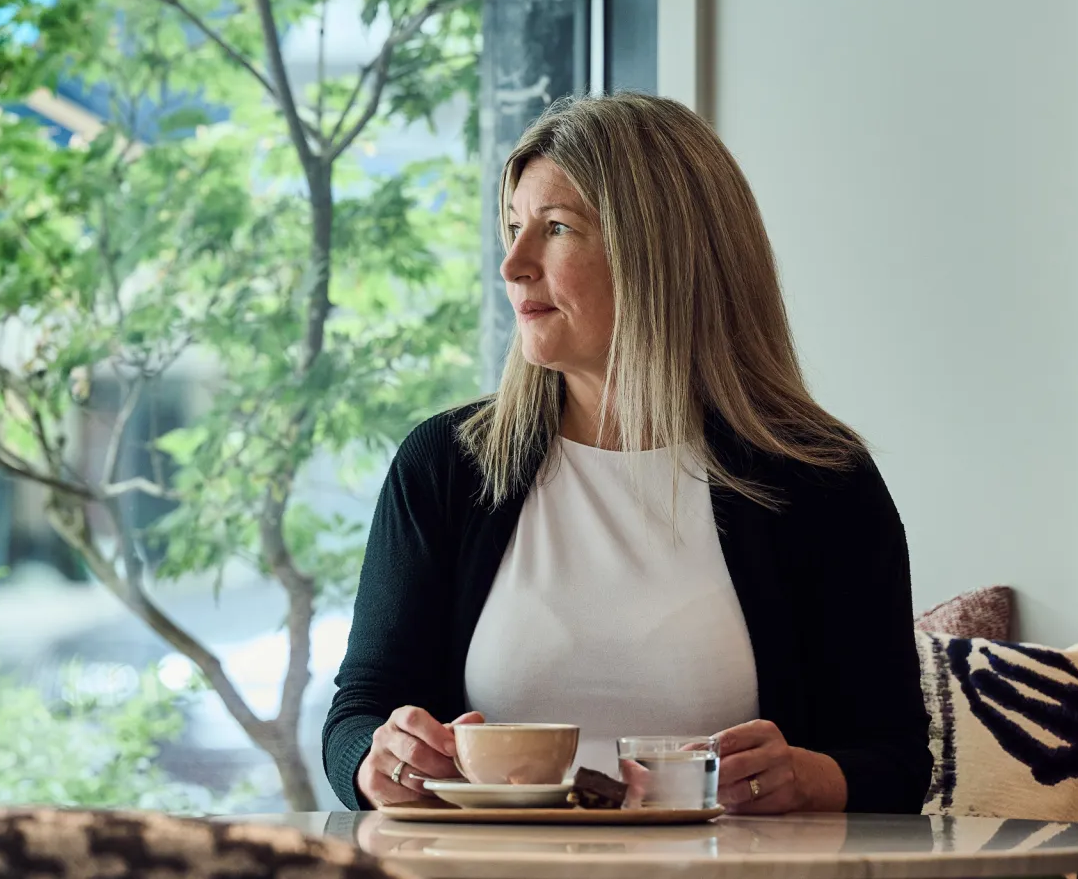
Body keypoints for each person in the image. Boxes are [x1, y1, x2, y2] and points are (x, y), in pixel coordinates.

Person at [321, 93, 930, 815]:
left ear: (662, 253)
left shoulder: (822, 481)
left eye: (555, 228)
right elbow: (359, 711)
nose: (513, 265)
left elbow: (897, 757)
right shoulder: (447, 464)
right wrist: (377, 760)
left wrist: (806, 777)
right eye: (514, 229)